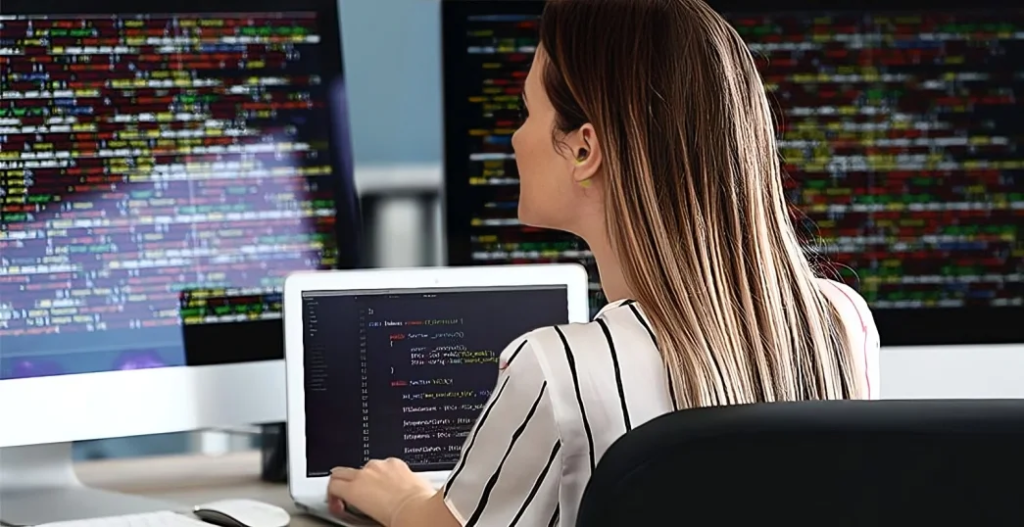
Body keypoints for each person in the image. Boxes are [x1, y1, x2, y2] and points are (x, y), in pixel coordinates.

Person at [326, 0, 880, 525]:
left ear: (585, 149)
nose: (516, 138)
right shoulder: (843, 320)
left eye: (527, 112)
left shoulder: (556, 369)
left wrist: (402, 500)